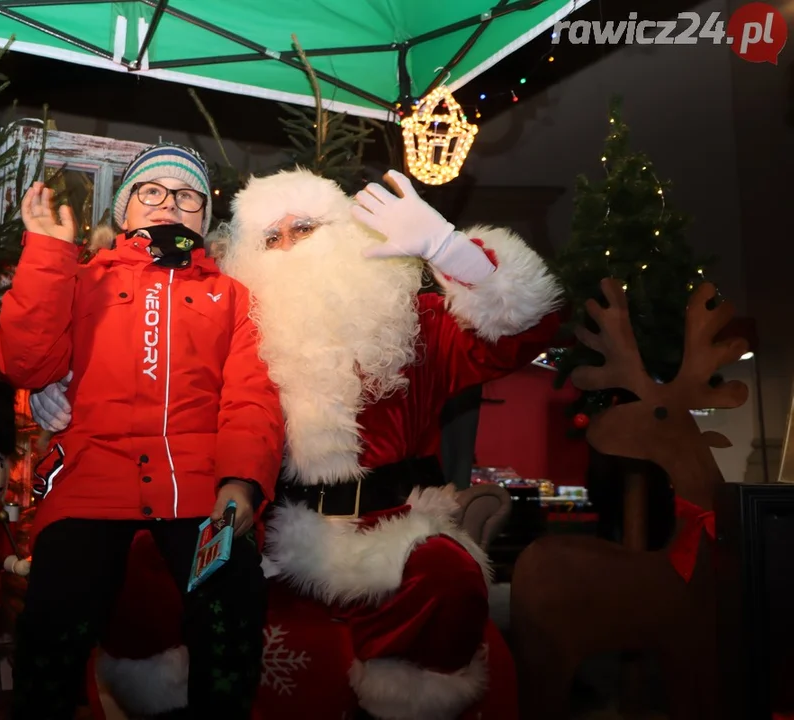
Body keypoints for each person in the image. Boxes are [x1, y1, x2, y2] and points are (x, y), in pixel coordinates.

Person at [31, 167, 563, 718]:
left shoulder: (412, 323)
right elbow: (146, 382)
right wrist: (55, 384)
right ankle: (166, 704)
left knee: (446, 575)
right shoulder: (228, 328)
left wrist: (450, 250)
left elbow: (523, 332)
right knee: (143, 563)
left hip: (387, 529)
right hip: (265, 529)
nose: (286, 248)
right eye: (269, 238)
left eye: (303, 228)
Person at [0, 142, 285, 720]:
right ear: (125, 210)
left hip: (200, 485)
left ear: (203, 216)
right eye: (152, 191)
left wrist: (241, 484)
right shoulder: (77, 279)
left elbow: (252, 397)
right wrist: (49, 253)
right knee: (56, 612)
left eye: (186, 195)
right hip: (91, 478)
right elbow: (21, 363)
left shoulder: (234, 299)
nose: (169, 204)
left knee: (233, 601)